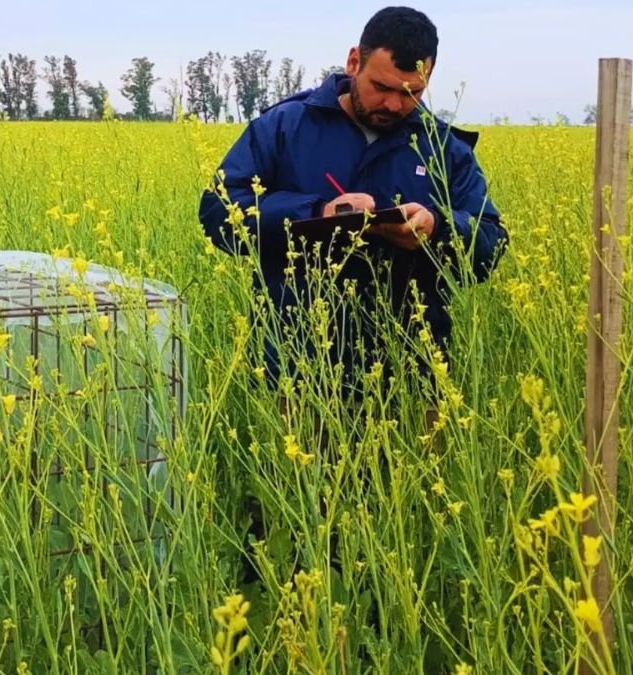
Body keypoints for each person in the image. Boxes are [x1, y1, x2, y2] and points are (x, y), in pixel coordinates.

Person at [197, 6, 508, 583]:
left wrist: (438, 227)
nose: (394, 104)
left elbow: (490, 242)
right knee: (294, 518)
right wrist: (316, 212)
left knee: (397, 533)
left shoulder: (444, 150)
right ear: (353, 62)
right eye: (382, 87)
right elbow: (219, 211)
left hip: (409, 369)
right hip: (299, 362)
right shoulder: (284, 127)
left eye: (412, 93)